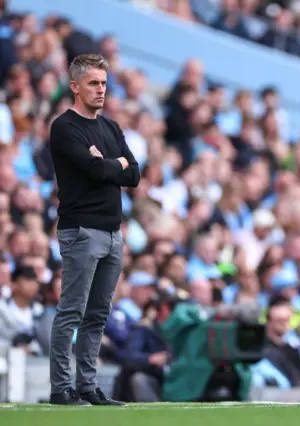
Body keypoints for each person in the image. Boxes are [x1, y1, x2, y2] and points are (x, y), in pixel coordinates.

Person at [48, 53, 140, 406]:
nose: (101, 89)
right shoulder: (65, 126)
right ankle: (61, 388)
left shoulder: (110, 128)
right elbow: (94, 170)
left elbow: (132, 173)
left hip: (113, 231)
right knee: (72, 310)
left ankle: (87, 386)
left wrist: (109, 163)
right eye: (93, 83)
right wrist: (109, 165)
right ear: (75, 86)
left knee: (98, 314)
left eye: (103, 83)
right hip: (82, 228)